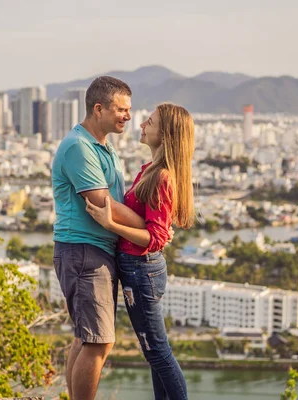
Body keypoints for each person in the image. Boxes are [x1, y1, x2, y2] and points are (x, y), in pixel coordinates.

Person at [85, 103, 195, 400]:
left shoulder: (162, 178)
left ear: (166, 135)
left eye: (150, 122)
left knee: (158, 352)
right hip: (139, 268)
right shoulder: (150, 170)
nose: (142, 124)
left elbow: (156, 237)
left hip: (142, 269)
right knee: (153, 354)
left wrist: (111, 224)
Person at [51, 76, 148, 400]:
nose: (128, 116)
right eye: (121, 109)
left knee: (85, 337)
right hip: (83, 251)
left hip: (90, 250)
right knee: (99, 340)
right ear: (98, 108)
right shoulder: (79, 147)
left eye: (129, 109)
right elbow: (102, 202)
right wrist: (149, 229)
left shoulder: (102, 147)